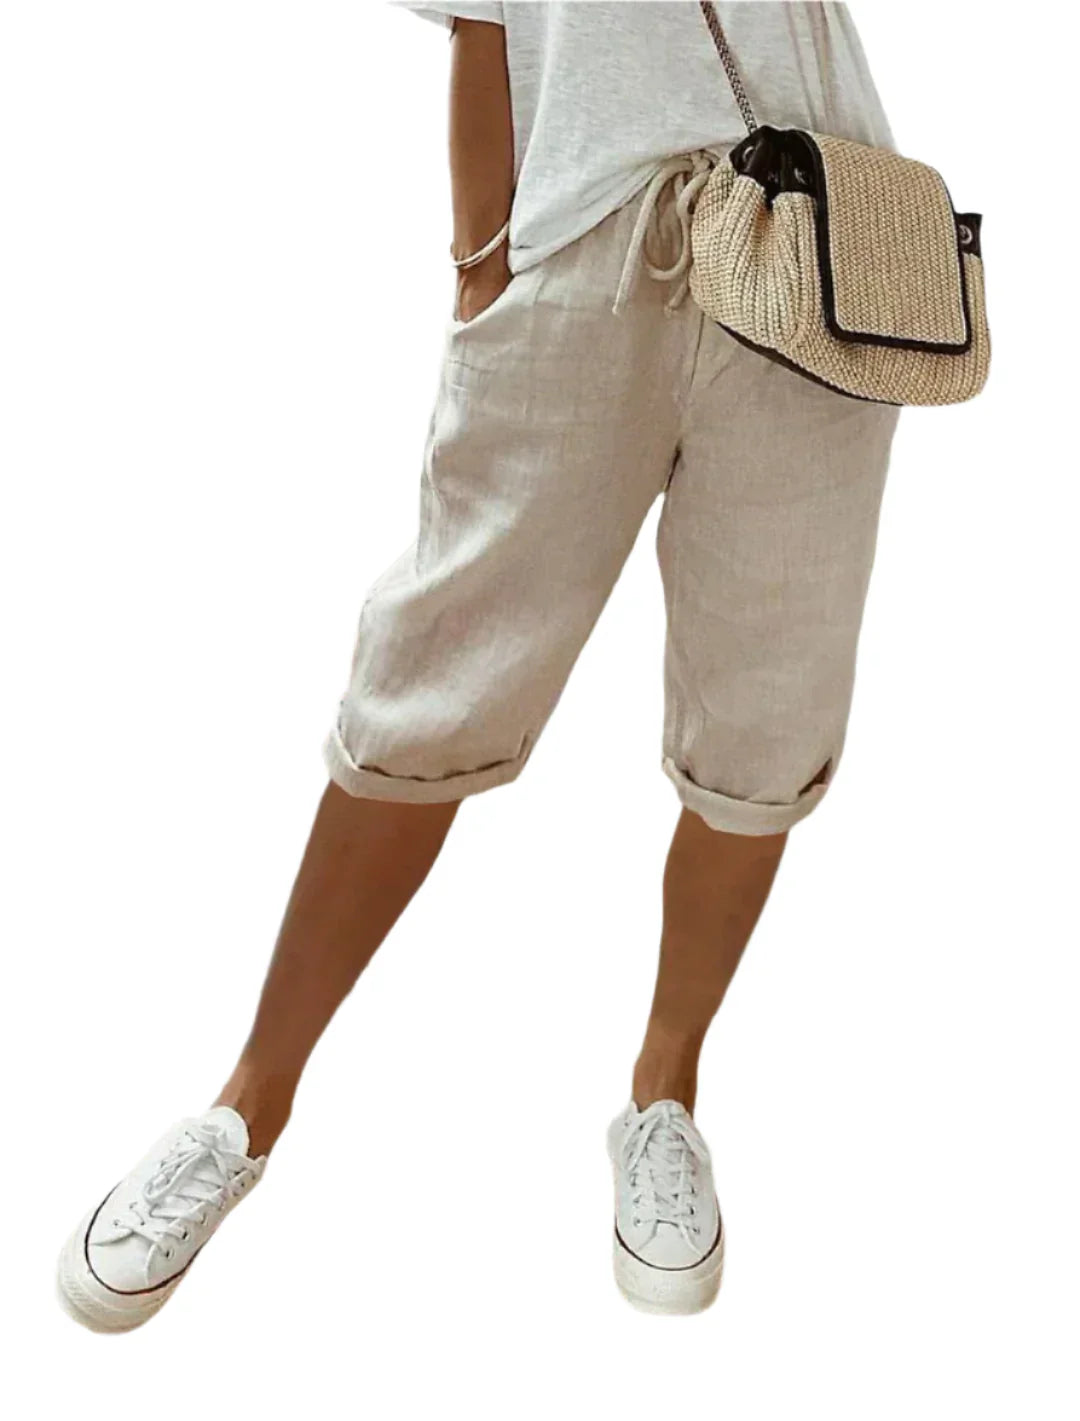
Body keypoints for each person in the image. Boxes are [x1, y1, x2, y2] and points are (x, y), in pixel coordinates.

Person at [57, 1, 899, 1328]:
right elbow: (479, 15)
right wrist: (481, 261)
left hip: (816, 230)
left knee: (768, 709)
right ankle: (245, 1106)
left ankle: (665, 1098)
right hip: (586, 237)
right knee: (432, 683)